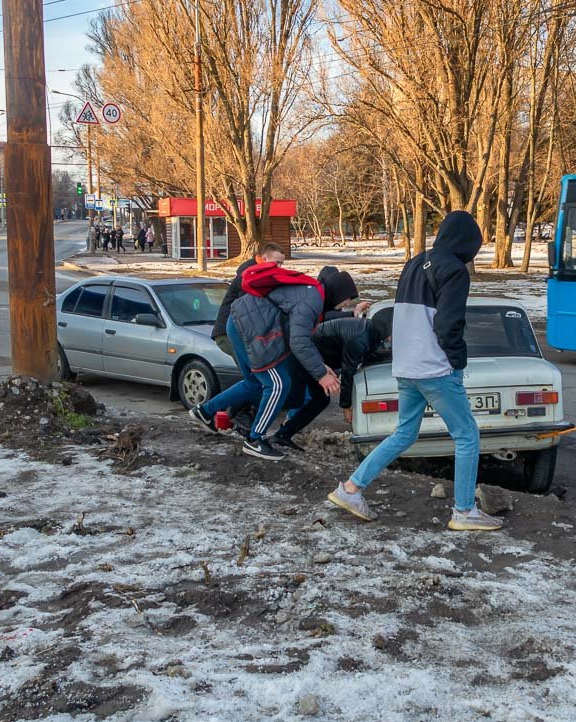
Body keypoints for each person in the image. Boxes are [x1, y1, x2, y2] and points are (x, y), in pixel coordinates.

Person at [326, 211, 502, 532]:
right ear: (467, 244)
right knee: (467, 436)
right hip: (435, 368)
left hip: (405, 366)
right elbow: (448, 325)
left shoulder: (415, 263)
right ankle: (464, 510)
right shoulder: (455, 271)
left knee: (404, 434)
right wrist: (457, 359)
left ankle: (351, 489)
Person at [191, 263, 354, 460]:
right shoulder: (313, 300)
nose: (347, 304)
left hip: (240, 323)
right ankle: (255, 440)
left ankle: (205, 411)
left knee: (254, 383)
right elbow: (298, 341)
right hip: (249, 328)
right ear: (338, 292)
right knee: (278, 384)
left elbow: (302, 337)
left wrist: (320, 365)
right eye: (347, 299)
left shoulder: (313, 295)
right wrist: (320, 374)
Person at [268, 311, 390, 451]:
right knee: (292, 398)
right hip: (302, 357)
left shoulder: (371, 332)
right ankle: (251, 418)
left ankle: (282, 435)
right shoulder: (359, 338)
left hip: (317, 361)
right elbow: (348, 372)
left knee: (320, 400)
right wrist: (346, 406)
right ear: (385, 329)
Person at [204, 243, 287, 430]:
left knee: (256, 379)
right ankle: (238, 413)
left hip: (238, 333)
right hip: (229, 334)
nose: (279, 268)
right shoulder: (250, 275)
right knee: (257, 378)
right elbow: (250, 311)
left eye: (282, 264)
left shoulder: (258, 272)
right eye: (277, 263)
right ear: (263, 259)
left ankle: (210, 411)